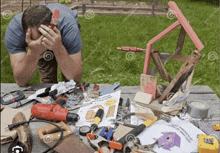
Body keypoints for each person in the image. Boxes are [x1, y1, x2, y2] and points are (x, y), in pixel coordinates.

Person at [4, 3, 82, 86]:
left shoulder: (69, 28)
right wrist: (33, 52)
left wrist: (58, 48)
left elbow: (75, 78)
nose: (43, 44)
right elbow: (21, 81)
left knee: (70, 84)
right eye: (37, 40)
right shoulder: (15, 31)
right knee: (47, 80)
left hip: (64, 29)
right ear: (25, 33)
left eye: (47, 37)